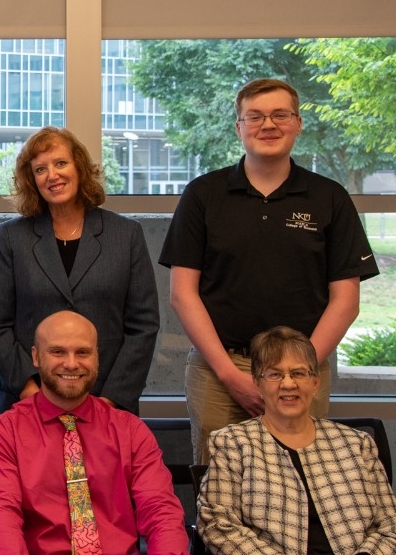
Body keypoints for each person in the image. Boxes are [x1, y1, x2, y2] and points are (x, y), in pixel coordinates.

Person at [159, 78, 378, 462]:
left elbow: (346, 301)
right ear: (238, 127)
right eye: (255, 116)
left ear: (297, 123)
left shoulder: (329, 198)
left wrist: (297, 371)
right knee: (218, 481)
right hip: (220, 368)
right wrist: (230, 375)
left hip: (307, 364)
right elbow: (182, 294)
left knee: (302, 475)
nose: (268, 125)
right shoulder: (203, 195)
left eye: (280, 115)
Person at [0, 310, 193, 555]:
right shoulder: (5, 431)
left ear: (97, 358)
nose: (71, 363)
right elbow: (0, 517)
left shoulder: (130, 430)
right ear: (36, 357)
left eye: (82, 352)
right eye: (58, 352)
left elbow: (161, 512)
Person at [198, 326, 396, 555]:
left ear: (315, 383)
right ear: (258, 383)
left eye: (299, 373)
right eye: (275, 374)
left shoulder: (357, 444)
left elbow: (390, 525)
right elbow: (218, 527)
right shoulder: (232, 443)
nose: (288, 384)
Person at [0, 126, 158, 415]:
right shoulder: (12, 237)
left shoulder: (126, 234)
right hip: (26, 400)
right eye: (40, 169)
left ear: (80, 167)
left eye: (61, 163)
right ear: (32, 180)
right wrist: (30, 392)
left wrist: (110, 401)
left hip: (106, 402)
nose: (52, 175)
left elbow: (143, 326)